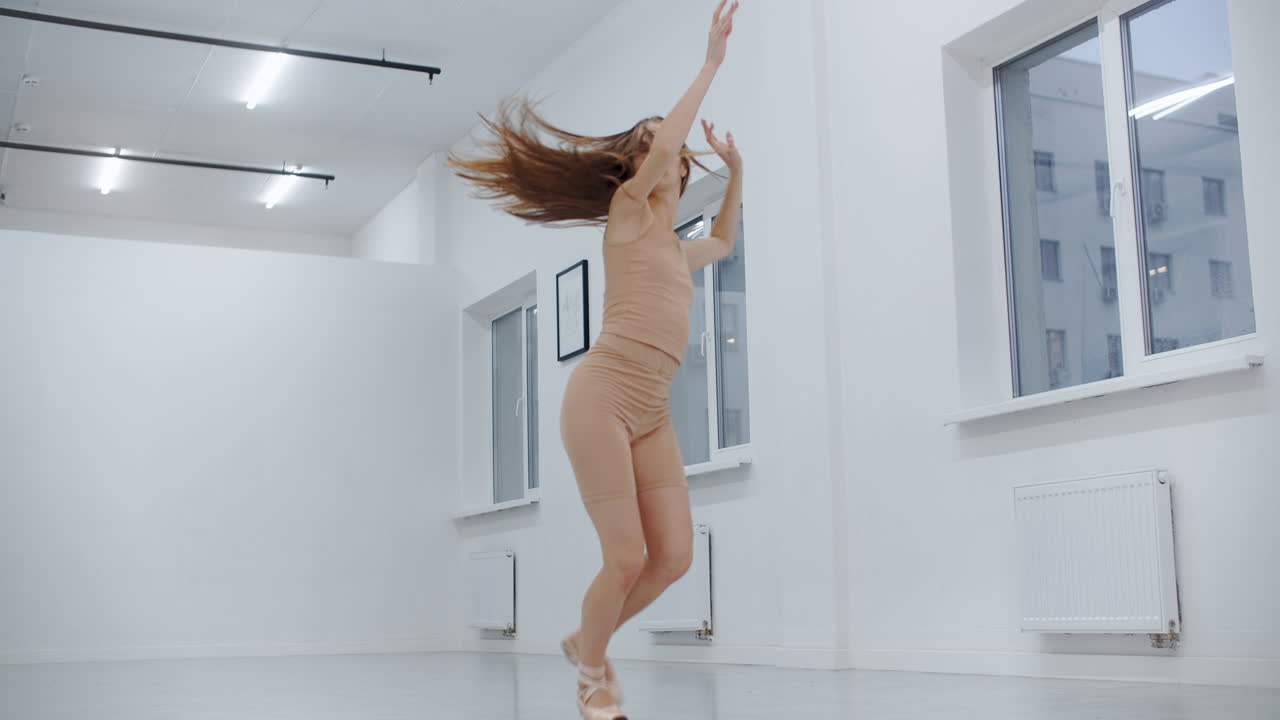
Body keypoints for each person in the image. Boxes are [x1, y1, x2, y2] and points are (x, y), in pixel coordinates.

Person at [450, 2, 741, 717]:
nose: (662, 150)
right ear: (637, 167)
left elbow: (726, 244)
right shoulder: (628, 213)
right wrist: (710, 63)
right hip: (602, 399)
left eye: (663, 145)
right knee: (625, 559)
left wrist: (737, 171)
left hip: (651, 411)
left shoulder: (676, 246)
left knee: (673, 558)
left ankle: (585, 640)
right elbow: (667, 148)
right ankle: (593, 678)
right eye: (648, 144)